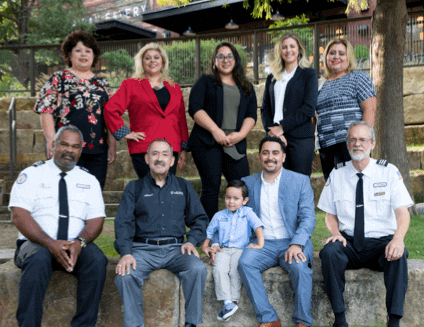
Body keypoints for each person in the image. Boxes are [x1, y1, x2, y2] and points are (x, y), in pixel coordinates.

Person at [9, 125, 108, 327]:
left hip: (75, 243)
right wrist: (49, 243)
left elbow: (96, 220)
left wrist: (80, 242)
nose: (68, 150)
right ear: (54, 145)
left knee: (97, 261)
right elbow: (18, 215)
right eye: (64, 144)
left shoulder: (89, 181)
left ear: (80, 151)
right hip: (35, 244)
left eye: (74, 146)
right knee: (39, 259)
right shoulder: (32, 174)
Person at [317, 121, 413, 327]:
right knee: (329, 252)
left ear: (372, 143)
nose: (357, 144)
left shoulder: (388, 171)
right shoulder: (337, 174)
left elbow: (403, 214)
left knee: (400, 256)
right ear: (347, 144)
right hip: (349, 242)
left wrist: (398, 239)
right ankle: (340, 324)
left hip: (381, 244)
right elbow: (330, 215)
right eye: (352, 140)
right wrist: (335, 233)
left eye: (362, 140)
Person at [114, 139, 209, 327]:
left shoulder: (183, 186)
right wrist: (126, 252)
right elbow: (123, 224)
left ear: (172, 160)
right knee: (125, 275)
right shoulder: (134, 188)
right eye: (155, 154)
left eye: (165, 154)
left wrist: (192, 241)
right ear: (147, 159)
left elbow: (200, 219)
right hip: (143, 249)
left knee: (197, 269)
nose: (159, 158)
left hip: (177, 248)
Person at [223, 135, 316, 327]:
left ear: (283, 156)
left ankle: (302, 323)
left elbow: (308, 217)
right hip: (262, 243)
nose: (270, 157)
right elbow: (233, 216)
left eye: (275, 153)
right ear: (259, 156)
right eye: (265, 152)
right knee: (245, 263)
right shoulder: (247, 183)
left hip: (291, 241)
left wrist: (297, 243)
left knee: (300, 268)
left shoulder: (299, 181)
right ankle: (269, 319)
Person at [34, 30, 116, 190]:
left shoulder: (102, 84)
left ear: (94, 56)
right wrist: (51, 140)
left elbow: (111, 116)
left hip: (97, 150)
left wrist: (112, 144)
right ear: (69, 55)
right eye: (78, 50)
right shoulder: (58, 79)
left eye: (87, 51)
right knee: (66, 196)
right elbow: (46, 110)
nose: (83, 54)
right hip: (66, 148)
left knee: (93, 195)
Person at [188, 42, 258, 221]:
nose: (225, 60)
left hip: (235, 142)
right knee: (211, 186)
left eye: (229, 56)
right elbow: (195, 108)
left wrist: (241, 134)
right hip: (207, 142)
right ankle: (208, 232)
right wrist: (215, 131)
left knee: (241, 186)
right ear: (214, 60)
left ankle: (239, 230)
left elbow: (251, 115)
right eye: (221, 56)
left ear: (236, 60)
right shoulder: (205, 81)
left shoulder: (246, 86)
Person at [104, 43, 189, 178]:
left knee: (167, 191)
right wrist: (125, 133)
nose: (152, 61)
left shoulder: (175, 88)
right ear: (142, 62)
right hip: (144, 148)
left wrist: (184, 149)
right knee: (148, 191)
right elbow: (110, 109)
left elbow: (181, 121)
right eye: (147, 58)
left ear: (163, 61)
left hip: (171, 149)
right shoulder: (131, 85)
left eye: (156, 57)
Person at [314, 37, 377, 182]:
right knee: (334, 192)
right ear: (326, 57)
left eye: (341, 53)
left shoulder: (358, 78)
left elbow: (370, 109)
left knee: (353, 188)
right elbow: (315, 118)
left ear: (348, 57)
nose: (336, 56)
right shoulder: (320, 85)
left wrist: (362, 142)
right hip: (326, 147)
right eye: (332, 53)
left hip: (350, 144)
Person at [201, 180, 265, 322]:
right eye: (228, 197)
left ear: (244, 200)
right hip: (223, 250)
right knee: (219, 269)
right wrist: (206, 246)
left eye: (236, 198)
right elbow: (210, 232)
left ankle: (232, 302)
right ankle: (228, 303)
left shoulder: (247, 213)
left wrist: (260, 245)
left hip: (241, 250)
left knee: (235, 270)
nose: (231, 202)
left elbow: (258, 227)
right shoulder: (219, 216)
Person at [261, 32, 318, 177]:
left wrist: (282, 128)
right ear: (279, 51)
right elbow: (265, 108)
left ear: (299, 50)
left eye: (292, 46)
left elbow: (308, 108)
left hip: (300, 140)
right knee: (277, 185)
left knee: (299, 186)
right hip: (275, 139)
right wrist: (272, 131)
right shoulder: (272, 78)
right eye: (284, 47)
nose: (288, 50)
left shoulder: (309, 74)